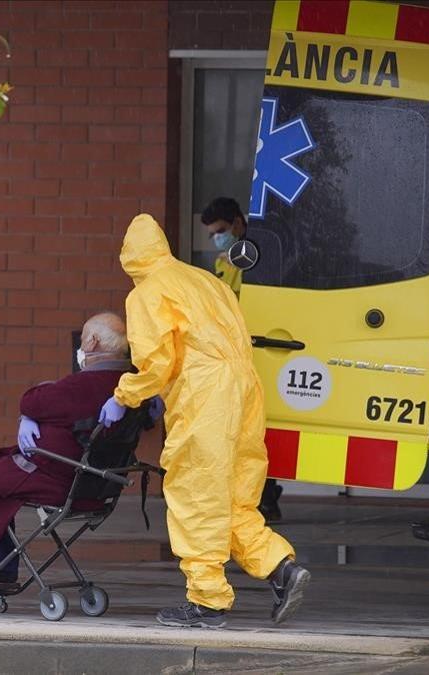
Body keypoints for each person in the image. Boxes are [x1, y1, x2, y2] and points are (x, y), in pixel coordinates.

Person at [99, 214, 311, 629]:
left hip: (204, 394)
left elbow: (158, 360)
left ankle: (207, 601)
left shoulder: (148, 292)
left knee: (196, 494)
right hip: (244, 387)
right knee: (233, 497)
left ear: (130, 257)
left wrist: (124, 396)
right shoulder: (204, 280)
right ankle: (281, 568)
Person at [0, 312, 132, 592]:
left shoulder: (81, 385)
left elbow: (31, 401)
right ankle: (1, 573)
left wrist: (28, 415)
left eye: (82, 338)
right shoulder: (131, 387)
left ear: (91, 342)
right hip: (93, 482)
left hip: (54, 476)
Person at [201, 196, 284, 523]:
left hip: (258, 351)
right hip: (241, 353)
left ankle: (264, 496)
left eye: (220, 230)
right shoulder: (231, 259)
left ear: (238, 222)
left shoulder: (253, 254)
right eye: (211, 234)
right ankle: (266, 492)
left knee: (250, 430)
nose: (217, 238)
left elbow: (237, 302)